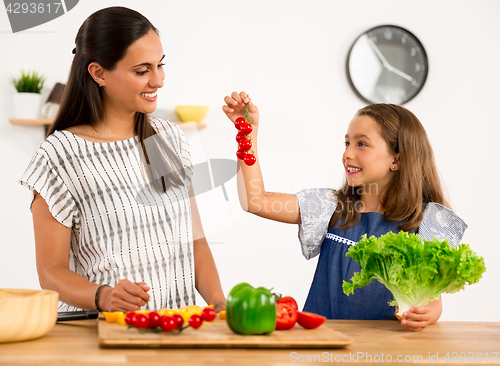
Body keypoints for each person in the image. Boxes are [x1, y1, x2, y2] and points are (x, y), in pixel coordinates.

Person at [19, 6, 226, 313]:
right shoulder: (59, 156)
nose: (158, 80)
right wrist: (104, 296)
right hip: (102, 337)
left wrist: (221, 308)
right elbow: (50, 272)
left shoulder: (169, 140)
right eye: (142, 71)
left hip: (176, 333)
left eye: (160, 65)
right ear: (98, 72)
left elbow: (195, 243)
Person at [222, 91, 467, 332]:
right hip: (323, 350)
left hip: (386, 354)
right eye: (347, 142)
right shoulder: (330, 207)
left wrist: (428, 314)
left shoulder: (425, 223)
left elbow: (433, 302)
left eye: (362, 144)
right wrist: (248, 133)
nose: (347, 153)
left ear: (397, 160)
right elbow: (255, 200)